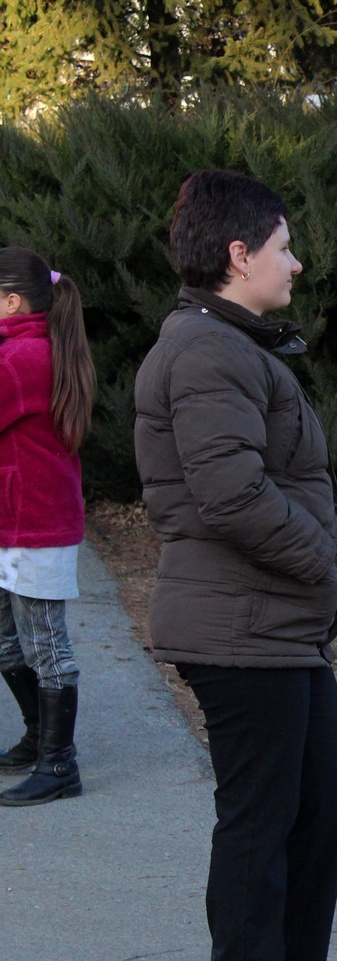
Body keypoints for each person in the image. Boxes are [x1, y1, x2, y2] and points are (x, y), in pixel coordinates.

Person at [134, 170, 337, 961]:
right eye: (283, 247)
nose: (296, 263)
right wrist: (321, 565)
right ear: (240, 255)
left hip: (275, 623)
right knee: (263, 815)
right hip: (239, 626)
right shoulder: (204, 351)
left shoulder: (232, 345)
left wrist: (313, 579)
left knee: (323, 798)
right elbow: (230, 497)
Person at [0, 248, 94, 807]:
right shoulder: (23, 350)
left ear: (10, 302)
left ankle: (60, 765)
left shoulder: (23, 358)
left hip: (33, 523)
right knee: (9, 641)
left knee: (45, 645)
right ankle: (39, 741)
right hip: (16, 520)